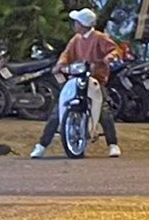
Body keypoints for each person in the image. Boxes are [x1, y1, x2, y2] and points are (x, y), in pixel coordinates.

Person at [32, 9, 127, 157]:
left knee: (103, 111)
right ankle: (42, 145)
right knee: (58, 111)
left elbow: (114, 50)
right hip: (76, 77)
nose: (74, 25)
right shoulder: (76, 39)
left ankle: (113, 144)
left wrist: (110, 57)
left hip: (95, 79)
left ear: (82, 24)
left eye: (76, 22)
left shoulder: (99, 38)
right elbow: (67, 54)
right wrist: (60, 64)